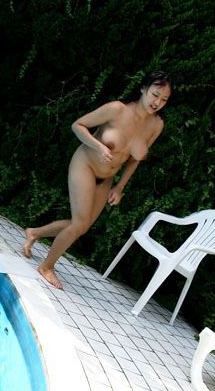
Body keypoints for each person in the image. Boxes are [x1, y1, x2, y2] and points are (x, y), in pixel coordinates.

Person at [23, 71, 172, 289]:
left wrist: (119, 187)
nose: (157, 102)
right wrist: (99, 146)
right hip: (86, 164)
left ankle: (34, 233)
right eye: (155, 94)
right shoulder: (117, 109)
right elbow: (78, 125)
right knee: (79, 223)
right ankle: (46, 267)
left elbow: (135, 160)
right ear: (143, 89)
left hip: (108, 178)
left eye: (164, 99)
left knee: (81, 227)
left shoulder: (156, 125)